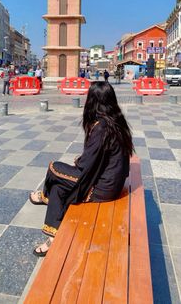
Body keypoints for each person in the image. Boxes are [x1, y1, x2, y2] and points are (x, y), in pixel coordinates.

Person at [29, 81, 134, 257]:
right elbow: (99, 157)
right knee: (58, 188)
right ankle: (53, 234)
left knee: (54, 168)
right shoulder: (115, 120)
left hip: (102, 188)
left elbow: (86, 166)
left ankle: (45, 198)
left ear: (93, 101)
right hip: (110, 181)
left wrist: (80, 162)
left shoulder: (102, 127)